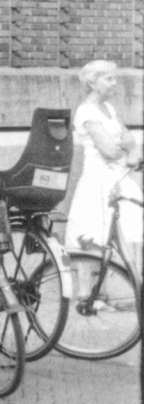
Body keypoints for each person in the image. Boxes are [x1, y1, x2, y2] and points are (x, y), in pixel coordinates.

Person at [62, 59, 142, 258]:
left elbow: (129, 139)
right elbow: (109, 150)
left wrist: (128, 147)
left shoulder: (109, 109)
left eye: (114, 78)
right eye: (109, 79)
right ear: (92, 83)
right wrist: (128, 149)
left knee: (130, 235)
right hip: (98, 182)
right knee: (95, 240)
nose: (114, 83)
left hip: (120, 178)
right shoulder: (86, 112)